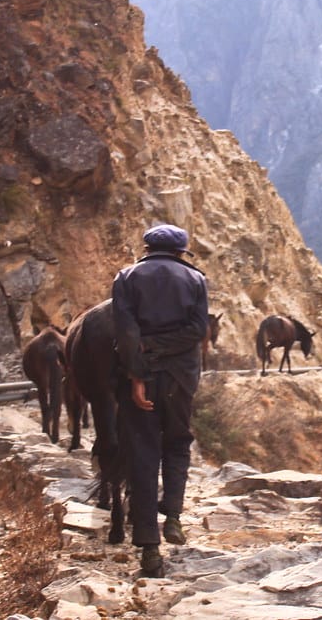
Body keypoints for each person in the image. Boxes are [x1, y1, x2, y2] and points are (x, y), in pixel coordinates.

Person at [111, 223, 209, 578]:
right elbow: (198, 331)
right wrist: (165, 350)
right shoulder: (196, 280)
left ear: (147, 248)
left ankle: (149, 549)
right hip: (182, 378)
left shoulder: (127, 277)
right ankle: (174, 517)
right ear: (182, 250)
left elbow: (126, 332)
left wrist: (140, 369)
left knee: (142, 451)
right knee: (178, 442)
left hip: (142, 378)